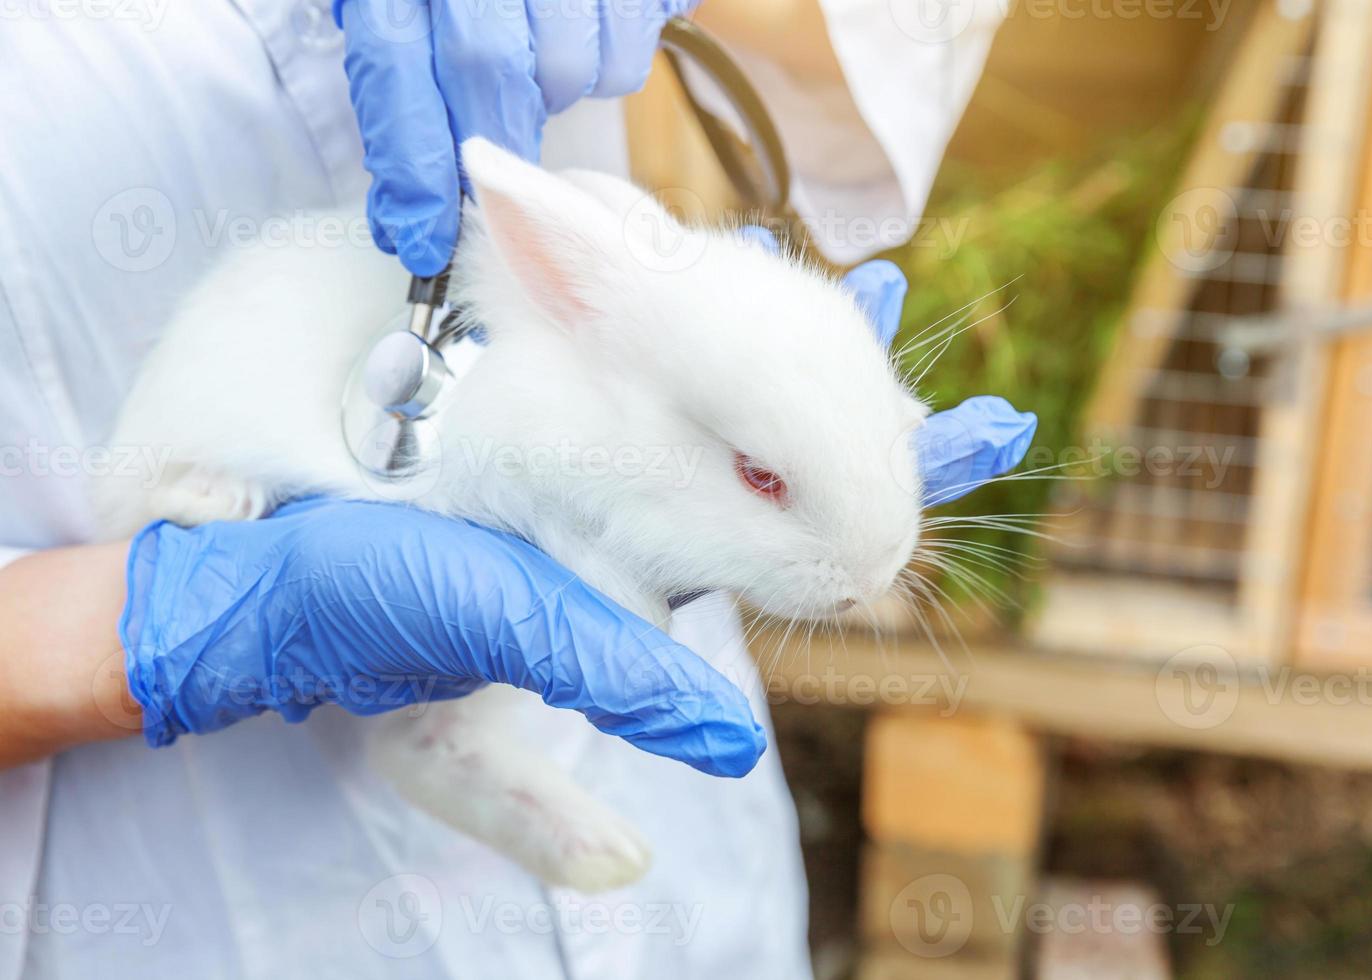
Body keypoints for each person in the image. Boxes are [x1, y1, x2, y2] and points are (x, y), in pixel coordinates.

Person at [0, 2, 1024, 977]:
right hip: (176, 865)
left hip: (690, 876)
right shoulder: (550, 401)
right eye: (758, 474)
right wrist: (138, 627)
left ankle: (458, 743)